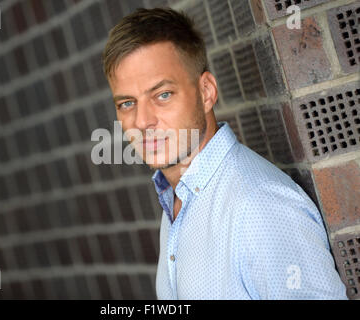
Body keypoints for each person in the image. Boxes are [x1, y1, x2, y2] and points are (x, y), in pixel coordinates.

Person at [102, 7, 348, 299]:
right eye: (127, 103)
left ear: (206, 92)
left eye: (163, 95)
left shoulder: (259, 205)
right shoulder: (178, 198)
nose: (142, 121)